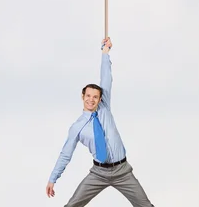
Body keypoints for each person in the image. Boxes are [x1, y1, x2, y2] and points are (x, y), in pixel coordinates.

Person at [45, 37, 155, 206]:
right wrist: (53, 179)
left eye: (95, 97)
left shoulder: (104, 108)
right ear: (83, 97)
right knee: (72, 205)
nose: (91, 100)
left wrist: (105, 53)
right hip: (98, 173)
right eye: (88, 96)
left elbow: (106, 78)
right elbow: (65, 154)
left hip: (122, 171)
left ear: (100, 99)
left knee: (145, 205)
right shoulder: (77, 127)